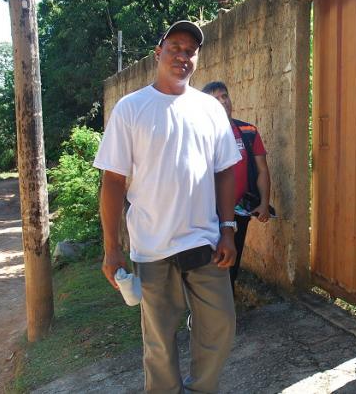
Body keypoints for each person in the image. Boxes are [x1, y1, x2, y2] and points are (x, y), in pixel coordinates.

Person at [94, 20, 241, 393]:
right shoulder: (131, 109)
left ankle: (199, 389)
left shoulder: (209, 109)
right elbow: (113, 181)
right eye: (175, 47)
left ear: (197, 59)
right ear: (158, 53)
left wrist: (227, 229)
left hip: (203, 243)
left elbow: (226, 171)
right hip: (153, 246)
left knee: (221, 326)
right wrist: (112, 248)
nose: (182, 56)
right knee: (159, 344)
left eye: (190, 50)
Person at [202, 81, 271, 293]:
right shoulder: (200, 135)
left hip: (239, 210)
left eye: (225, 96)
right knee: (206, 264)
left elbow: (262, 170)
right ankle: (202, 313)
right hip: (207, 213)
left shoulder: (248, 131)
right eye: (216, 99)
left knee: (232, 260)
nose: (223, 102)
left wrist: (264, 203)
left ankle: (227, 310)